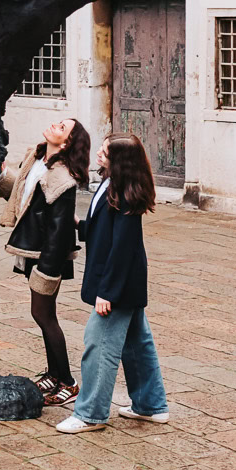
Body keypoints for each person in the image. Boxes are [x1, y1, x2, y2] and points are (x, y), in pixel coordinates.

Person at [57, 132, 170, 433]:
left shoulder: (127, 196)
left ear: (119, 161)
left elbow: (122, 249)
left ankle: (90, 414)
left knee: (98, 345)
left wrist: (107, 293)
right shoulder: (111, 185)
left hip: (118, 285)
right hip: (127, 284)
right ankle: (150, 405)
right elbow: (103, 227)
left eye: (105, 153)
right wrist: (80, 225)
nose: (98, 155)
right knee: (137, 344)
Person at [0, 117, 92, 405]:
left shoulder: (63, 178)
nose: (54, 126)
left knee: (44, 315)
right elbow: (23, 195)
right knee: (42, 315)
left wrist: (46, 272)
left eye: (62, 128)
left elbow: (60, 231)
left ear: (66, 143)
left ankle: (69, 382)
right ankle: (52, 374)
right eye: (58, 123)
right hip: (32, 249)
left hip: (49, 258)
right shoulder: (35, 157)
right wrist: (2, 176)